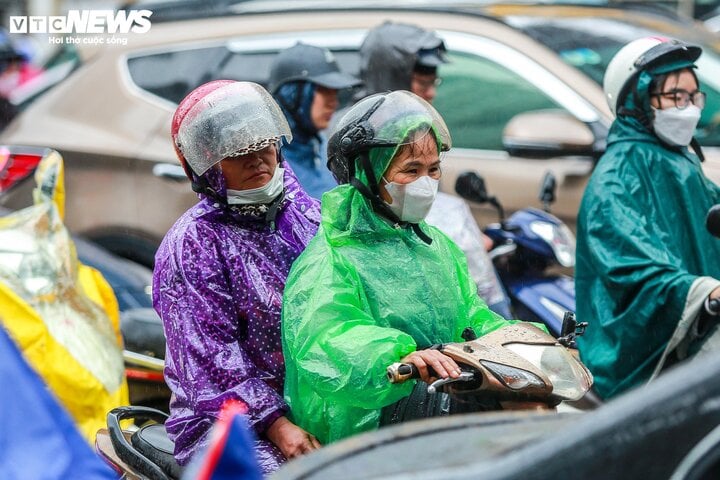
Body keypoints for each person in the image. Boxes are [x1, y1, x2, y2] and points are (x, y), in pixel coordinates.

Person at [281, 90, 516, 445]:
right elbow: (327, 340)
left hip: (443, 401)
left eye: (433, 169)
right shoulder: (333, 257)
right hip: (368, 429)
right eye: (411, 170)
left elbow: (470, 314)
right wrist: (397, 355)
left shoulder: (436, 245)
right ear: (367, 173)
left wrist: (514, 338)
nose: (426, 182)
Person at [152, 80, 322, 474]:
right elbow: (211, 361)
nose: (257, 160)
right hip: (226, 422)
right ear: (207, 168)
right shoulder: (193, 244)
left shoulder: (305, 213)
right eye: (238, 153)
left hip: (315, 401)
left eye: (263, 145)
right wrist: (276, 424)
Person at [575, 37, 720, 400]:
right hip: (642, 362)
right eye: (675, 97)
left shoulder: (682, 163)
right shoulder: (615, 179)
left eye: (692, 97)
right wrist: (704, 291)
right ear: (638, 98)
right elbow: (635, 270)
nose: (687, 109)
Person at [351, 20, 511, 317]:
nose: (431, 93)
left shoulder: (422, 129)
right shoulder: (359, 139)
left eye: (432, 170)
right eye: (422, 84)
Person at [268, 42, 361, 200]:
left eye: (335, 92)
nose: (334, 103)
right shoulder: (268, 163)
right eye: (324, 91)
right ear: (292, 94)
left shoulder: (327, 148)